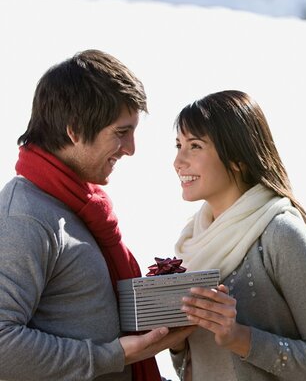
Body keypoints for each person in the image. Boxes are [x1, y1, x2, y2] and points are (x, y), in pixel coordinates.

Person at [0, 49, 192, 381]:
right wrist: (114, 355)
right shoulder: (25, 217)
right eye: (121, 133)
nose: (131, 148)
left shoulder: (79, 205)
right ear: (74, 130)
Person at [170, 90, 306, 380]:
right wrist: (177, 344)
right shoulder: (190, 243)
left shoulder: (280, 234)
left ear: (237, 159)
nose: (178, 161)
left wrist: (240, 338)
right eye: (178, 145)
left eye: (194, 146)